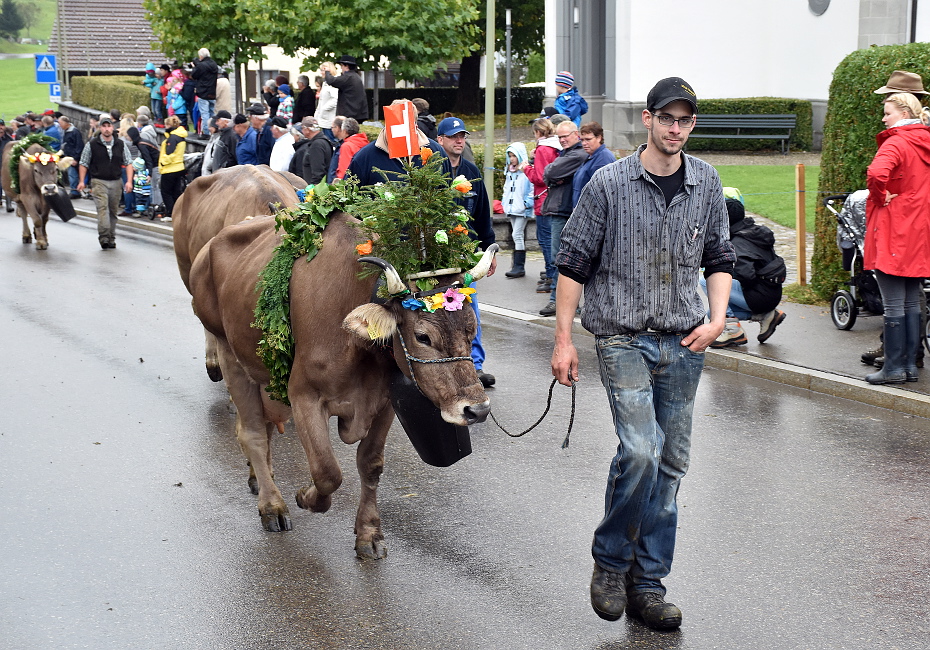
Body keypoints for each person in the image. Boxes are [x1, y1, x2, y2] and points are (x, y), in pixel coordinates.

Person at [551, 77, 734, 631]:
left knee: (672, 464)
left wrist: (718, 318)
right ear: (648, 121)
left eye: (685, 120)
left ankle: (648, 583)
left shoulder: (706, 181)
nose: (675, 128)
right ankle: (610, 562)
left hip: (684, 340)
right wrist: (563, 339)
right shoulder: (607, 183)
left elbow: (719, 254)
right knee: (641, 452)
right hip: (623, 337)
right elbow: (573, 262)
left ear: (691, 124)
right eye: (666, 118)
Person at [861, 70, 930, 368]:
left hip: (895, 225)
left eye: (887, 110)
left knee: (894, 301)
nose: (883, 116)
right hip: (919, 225)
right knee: (913, 298)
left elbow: (877, 174)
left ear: (904, 108)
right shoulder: (924, 138)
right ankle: (909, 362)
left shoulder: (897, 141)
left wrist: (880, 196)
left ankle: (895, 365)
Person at [436, 116, 498, 388]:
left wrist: (489, 252)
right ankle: (438, 364)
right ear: (440, 140)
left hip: (465, 254)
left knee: (469, 308)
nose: (459, 141)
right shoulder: (430, 171)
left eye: (462, 136)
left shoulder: (472, 172)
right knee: (435, 311)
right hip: (434, 257)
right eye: (453, 137)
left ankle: (476, 364)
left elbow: (483, 215)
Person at [704, 197, 787, 348]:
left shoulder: (737, 243)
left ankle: (732, 330)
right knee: (713, 313)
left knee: (708, 279)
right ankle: (766, 316)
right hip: (772, 294)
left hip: (758, 296)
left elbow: (746, 276)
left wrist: (727, 272)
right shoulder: (755, 232)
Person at [535, 120, 587, 316]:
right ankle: (566, 302)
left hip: (564, 211)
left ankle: (557, 302)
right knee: (560, 258)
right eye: (560, 137)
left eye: (565, 136)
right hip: (561, 209)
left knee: (560, 258)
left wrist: (553, 172)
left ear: (576, 134)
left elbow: (550, 171)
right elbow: (549, 173)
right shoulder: (569, 153)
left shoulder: (577, 154)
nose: (562, 140)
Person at [77, 113, 134, 249]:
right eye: (104, 126)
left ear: (113, 128)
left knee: (113, 211)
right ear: (100, 128)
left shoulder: (120, 144)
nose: (107, 129)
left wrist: (129, 181)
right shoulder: (92, 144)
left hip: (116, 181)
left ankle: (111, 237)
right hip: (98, 181)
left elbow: (128, 163)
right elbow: (83, 163)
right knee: (102, 209)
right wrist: (81, 181)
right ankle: (104, 237)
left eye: (109, 126)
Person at [521, 118, 561, 294]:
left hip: (543, 199)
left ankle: (551, 277)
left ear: (538, 133)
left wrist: (526, 168)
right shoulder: (555, 147)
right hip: (552, 198)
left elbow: (539, 177)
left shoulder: (543, 149)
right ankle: (551, 276)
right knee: (550, 240)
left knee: (545, 240)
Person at [501, 141, 534, 278]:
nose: (512, 158)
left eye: (514, 155)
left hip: (521, 208)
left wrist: (527, 203)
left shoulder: (525, 171)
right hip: (513, 208)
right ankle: (516, 265)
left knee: (517, 235)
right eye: (510, 155)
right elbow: (507, 189)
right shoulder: (510, 171)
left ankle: (519, 266)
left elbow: (532, 187)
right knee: (517, 235)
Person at [572, 122, 615, 206]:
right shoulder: (590, 156)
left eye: (588, 139)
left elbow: (602, 192)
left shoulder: (603, 159)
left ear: (599, 138)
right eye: (582, 140)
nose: (584, 143)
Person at [158, 115, 188, 222]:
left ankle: (170, 213)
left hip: (169, 169)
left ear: (169, 125)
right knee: (176, 192)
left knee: (166, 192)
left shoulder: (172, 138)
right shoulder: (181, 136)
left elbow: (169, 153)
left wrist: (162, 161)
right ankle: (178, 212)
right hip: (179, 167)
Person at [323, 56, 369, 123]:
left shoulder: (348, 77)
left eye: (342, 65)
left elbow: (331, 81)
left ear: (346, 66)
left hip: (349, 115)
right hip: (358, 114)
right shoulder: (356, 76)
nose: (341, 68)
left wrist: (327, 72)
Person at [294, 116, 333, 185]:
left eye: (302, 128)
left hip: (316, 188)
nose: (302, 131)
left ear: (308, 129)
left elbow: (318, 171)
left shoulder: (317, 145)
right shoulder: (323, 141)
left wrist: (313, 189)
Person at [192, 47, 219, 137]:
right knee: (212, 113)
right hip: (212, 92)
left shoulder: (201, 65)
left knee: (204, 113)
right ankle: (213, 130)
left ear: (201, 56)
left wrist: (194, 66)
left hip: (203, 92)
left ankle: (206, 133)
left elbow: (194, 75)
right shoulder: (214, 64)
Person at [58, 116, 83, 198]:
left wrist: (75, 158)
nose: (59, 125)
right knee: (71, 174)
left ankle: (75, 191)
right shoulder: (67, 131)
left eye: (60, 123)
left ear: (66, 123)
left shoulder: (74, 132)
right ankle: (74, 190)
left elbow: (79, 145)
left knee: (73, 175)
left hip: (72, 157)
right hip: (68, 156)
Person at [315, 72, 339, 143]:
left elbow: (335, 100)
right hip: (323, 119)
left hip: (328, 120)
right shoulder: (325, 84)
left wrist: (324, 109)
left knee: (330, 141)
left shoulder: (331, 85)